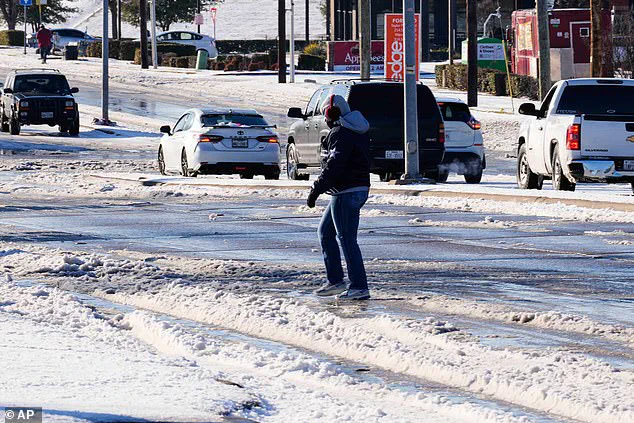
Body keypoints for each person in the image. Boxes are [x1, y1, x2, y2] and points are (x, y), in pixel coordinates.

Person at [307, 94, 372, 300]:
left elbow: (335, 165)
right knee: (325, 233)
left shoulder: (340, 133)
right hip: (352, 189)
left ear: (331, 113)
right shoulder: (356, 130)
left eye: (326, 113)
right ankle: (335, 281)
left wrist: (316, 189)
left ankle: (359, 286)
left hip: (346, 191)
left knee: (347, 239)